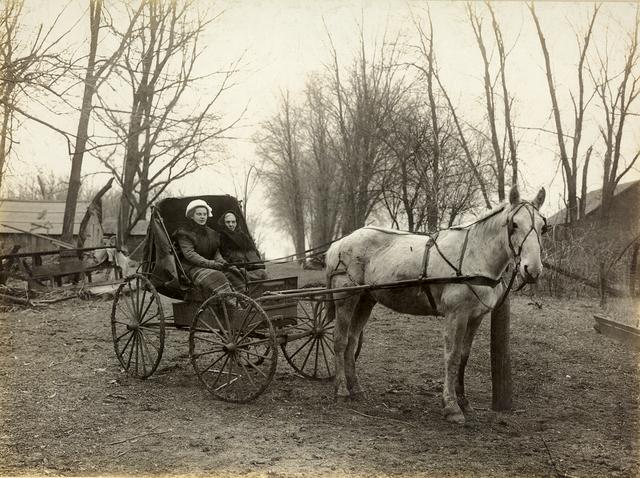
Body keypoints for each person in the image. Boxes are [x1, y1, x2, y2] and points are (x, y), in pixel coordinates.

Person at [174, 200, 246, 296]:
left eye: (204, 214)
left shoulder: (212, 233)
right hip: (192, 268)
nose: (202, 217)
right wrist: (210, 264)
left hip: (210, 266)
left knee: (233, 272)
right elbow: (190, 254)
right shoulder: (184, 233)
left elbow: (215, 252)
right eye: (199, 214)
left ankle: (244, 301)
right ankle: (231, 305)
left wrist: (223, 263)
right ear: (191, 216)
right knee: (217, 276)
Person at [218, 211, 268, 281]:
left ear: (236, 222)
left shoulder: (243, 236)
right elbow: (227, 256)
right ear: (223, 223)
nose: (231, 224)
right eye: (228, 222)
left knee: (263, 273)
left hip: (252, 266)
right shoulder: (221, 237)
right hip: (239, 268)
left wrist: (257, 264)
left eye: (233, 222)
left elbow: (253, 253)